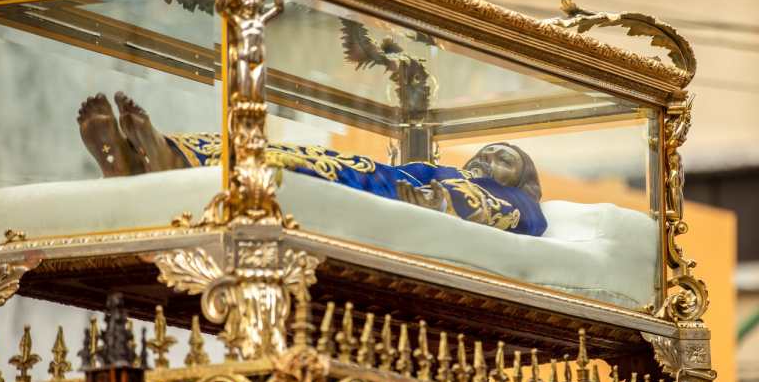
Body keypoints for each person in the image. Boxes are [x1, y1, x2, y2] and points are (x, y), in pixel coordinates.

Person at [77, 92, 547, 236]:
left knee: (282, 164)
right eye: (486, 151)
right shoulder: (445, 168)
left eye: (503, 159)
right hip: (372, 172)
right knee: (266, 149)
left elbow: (513, 217)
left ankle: (158, 160)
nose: (487, 157)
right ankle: (156, 153)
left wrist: (434, 202)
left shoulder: (521, 203)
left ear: (523, 180)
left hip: (384, 189)